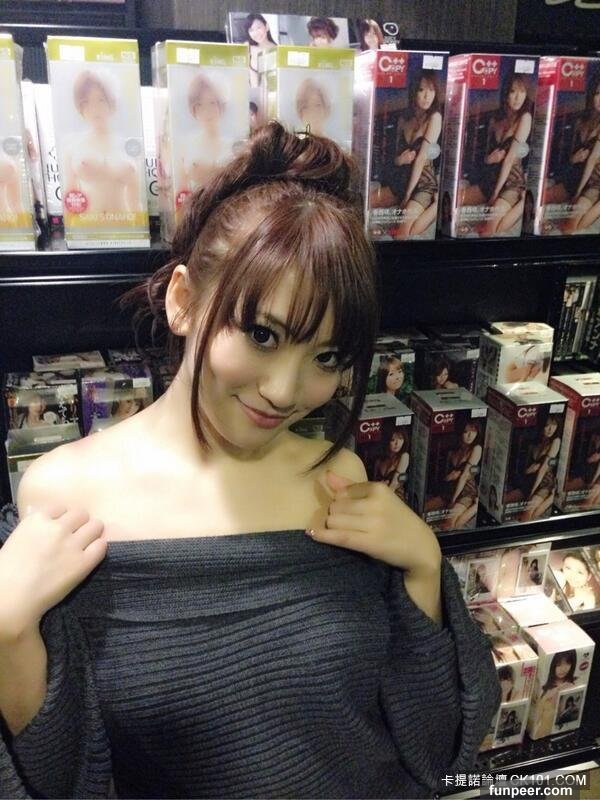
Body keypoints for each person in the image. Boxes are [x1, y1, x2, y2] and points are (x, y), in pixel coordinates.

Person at [0, 122, 500, 799]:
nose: (286, 391)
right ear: (183, 301)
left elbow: (434, 744)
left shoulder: (336, 477)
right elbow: (61, 776)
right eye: (262, 335)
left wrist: (422, 566)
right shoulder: (64, 494)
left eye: (327, 357)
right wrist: (7, 632)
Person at [371, 70, 443, 237]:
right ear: (413, 91)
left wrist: (407, 196)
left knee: (402, 233)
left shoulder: (435, 118)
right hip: (402, 180)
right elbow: (396, 158)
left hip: (423, 184)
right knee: (368, 202)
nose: (427, 96)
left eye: (432, 90)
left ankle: (435, 205)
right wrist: (400, 160)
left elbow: (421, 159)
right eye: (421, 90)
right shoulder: (403, 120)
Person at [460, 74, 533, 236]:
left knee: (489, 229)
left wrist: (495, 194)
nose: (518, 97)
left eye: (522, 92)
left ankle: (523, 202)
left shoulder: (525, 118)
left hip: (511, 181)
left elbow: (509, 160)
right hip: (491, 178)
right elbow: (486, 155)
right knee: (457, 201)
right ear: (506, 93)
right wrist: (489, 159)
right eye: (513, 91)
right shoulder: (495, 121)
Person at [63, 70, 142, 216]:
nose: (94, 109)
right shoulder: (73, 147)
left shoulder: (129, 147)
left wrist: (140, 226)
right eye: (86, 102)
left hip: (125, 224)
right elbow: (70, 199)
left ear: (111, 102)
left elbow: (136, 202)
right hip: (88, 225)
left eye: (100, 100)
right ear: (80, 106)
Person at [544, 74, 600, 234]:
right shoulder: (581, 121)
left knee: (570, 225)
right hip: (575, 176)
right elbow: (566, 154)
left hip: (594, 182)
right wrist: (573, 159)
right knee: (543, 198)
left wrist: (579, 192)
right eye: (597, 93)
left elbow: (592, 161)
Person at [178, 75, 232, 198]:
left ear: (220, 105)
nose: (207, 111)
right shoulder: (186, 145)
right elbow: (181, 190)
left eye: (212, 103)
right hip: (195, 208)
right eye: (200, 105)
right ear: (193, 109)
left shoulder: (233, 146)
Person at [518, 415, 561, 522]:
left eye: (554, 425)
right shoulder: (536, 443)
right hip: (530, 480)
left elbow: (543, 470)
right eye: (547, 425)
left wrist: (532, 492)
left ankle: (550, 498)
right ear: (542, 426)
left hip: (545, 482)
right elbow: (526, 469)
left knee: (529, 510)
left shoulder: (556, 441)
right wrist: (529, 470)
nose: (551, 429)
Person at [441, 421, 482, 530]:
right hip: (450, 489)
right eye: (466, 431)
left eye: (473, 431)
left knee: (449, 523)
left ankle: (476, 507)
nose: (470, 435)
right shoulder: (453, 452)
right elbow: (445, 477)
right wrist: (449, 477)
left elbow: (464, 476)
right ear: (460, 433)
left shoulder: (476, 448)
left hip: (467, 491)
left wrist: (453, 500)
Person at [532, 650, 577, 738]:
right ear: (553, 666)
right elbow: (536, 718)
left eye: (567, 663)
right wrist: (546, 698)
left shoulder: (571, 687)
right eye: (558, 665)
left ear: (572, 664)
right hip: (540, 734)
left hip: (562, 734)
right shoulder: (544, 688)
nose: (563, 669)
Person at [373, 427, 410, 500]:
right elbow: (374, 484)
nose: (397, 443)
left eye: (400, 439)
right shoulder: (379, 461)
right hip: (379, 497)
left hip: (395, 499)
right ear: (387, 441)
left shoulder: (404, 456)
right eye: (393, 440)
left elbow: (394, 484)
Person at [245, 13, 277, 88]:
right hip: (251, 94)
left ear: (267, 27)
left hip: (270, 93)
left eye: (258, 28)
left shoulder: (277, 51)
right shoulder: (247, 47)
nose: (256, 33)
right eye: (251, 30)